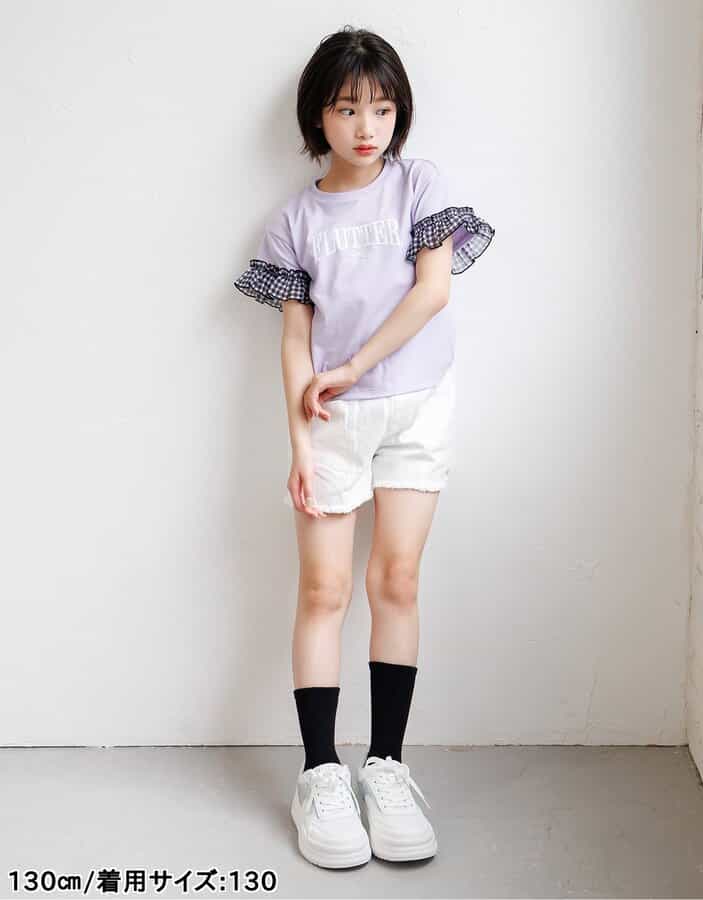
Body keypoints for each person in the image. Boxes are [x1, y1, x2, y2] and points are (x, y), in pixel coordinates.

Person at [233, 26, 494, 869]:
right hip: (333, 425)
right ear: (318, 115)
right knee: (324, 588)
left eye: (381, 108)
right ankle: (320, 773)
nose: (366, 126)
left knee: (397, 580)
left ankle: (387, 766)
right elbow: (292, 342)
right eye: (348, 109)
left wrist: (352, 367)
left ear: (399, 113)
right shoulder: (295, 219)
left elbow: (433, 292)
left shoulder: (420, 186)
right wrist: (299, 441)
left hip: (416, 409)